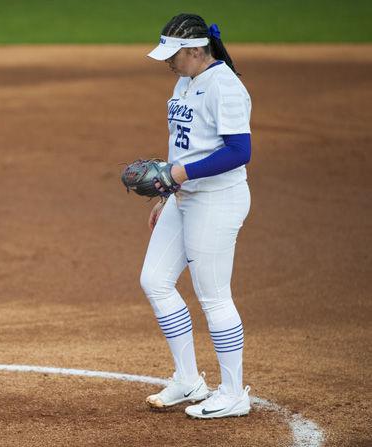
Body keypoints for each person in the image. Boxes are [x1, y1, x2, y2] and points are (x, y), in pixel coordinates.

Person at [140, 13, 252, 419]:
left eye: (173, 55)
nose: (167, 62)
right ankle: (188, 379)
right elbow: (181, 149)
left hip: (217, 200)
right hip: (184, 197)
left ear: (193, 51)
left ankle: (235, 392)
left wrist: (179, 174)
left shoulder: (226, 87)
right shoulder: (184, 82)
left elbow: (240, 151)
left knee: (214, 296)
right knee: (154, 280)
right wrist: (169, 191)